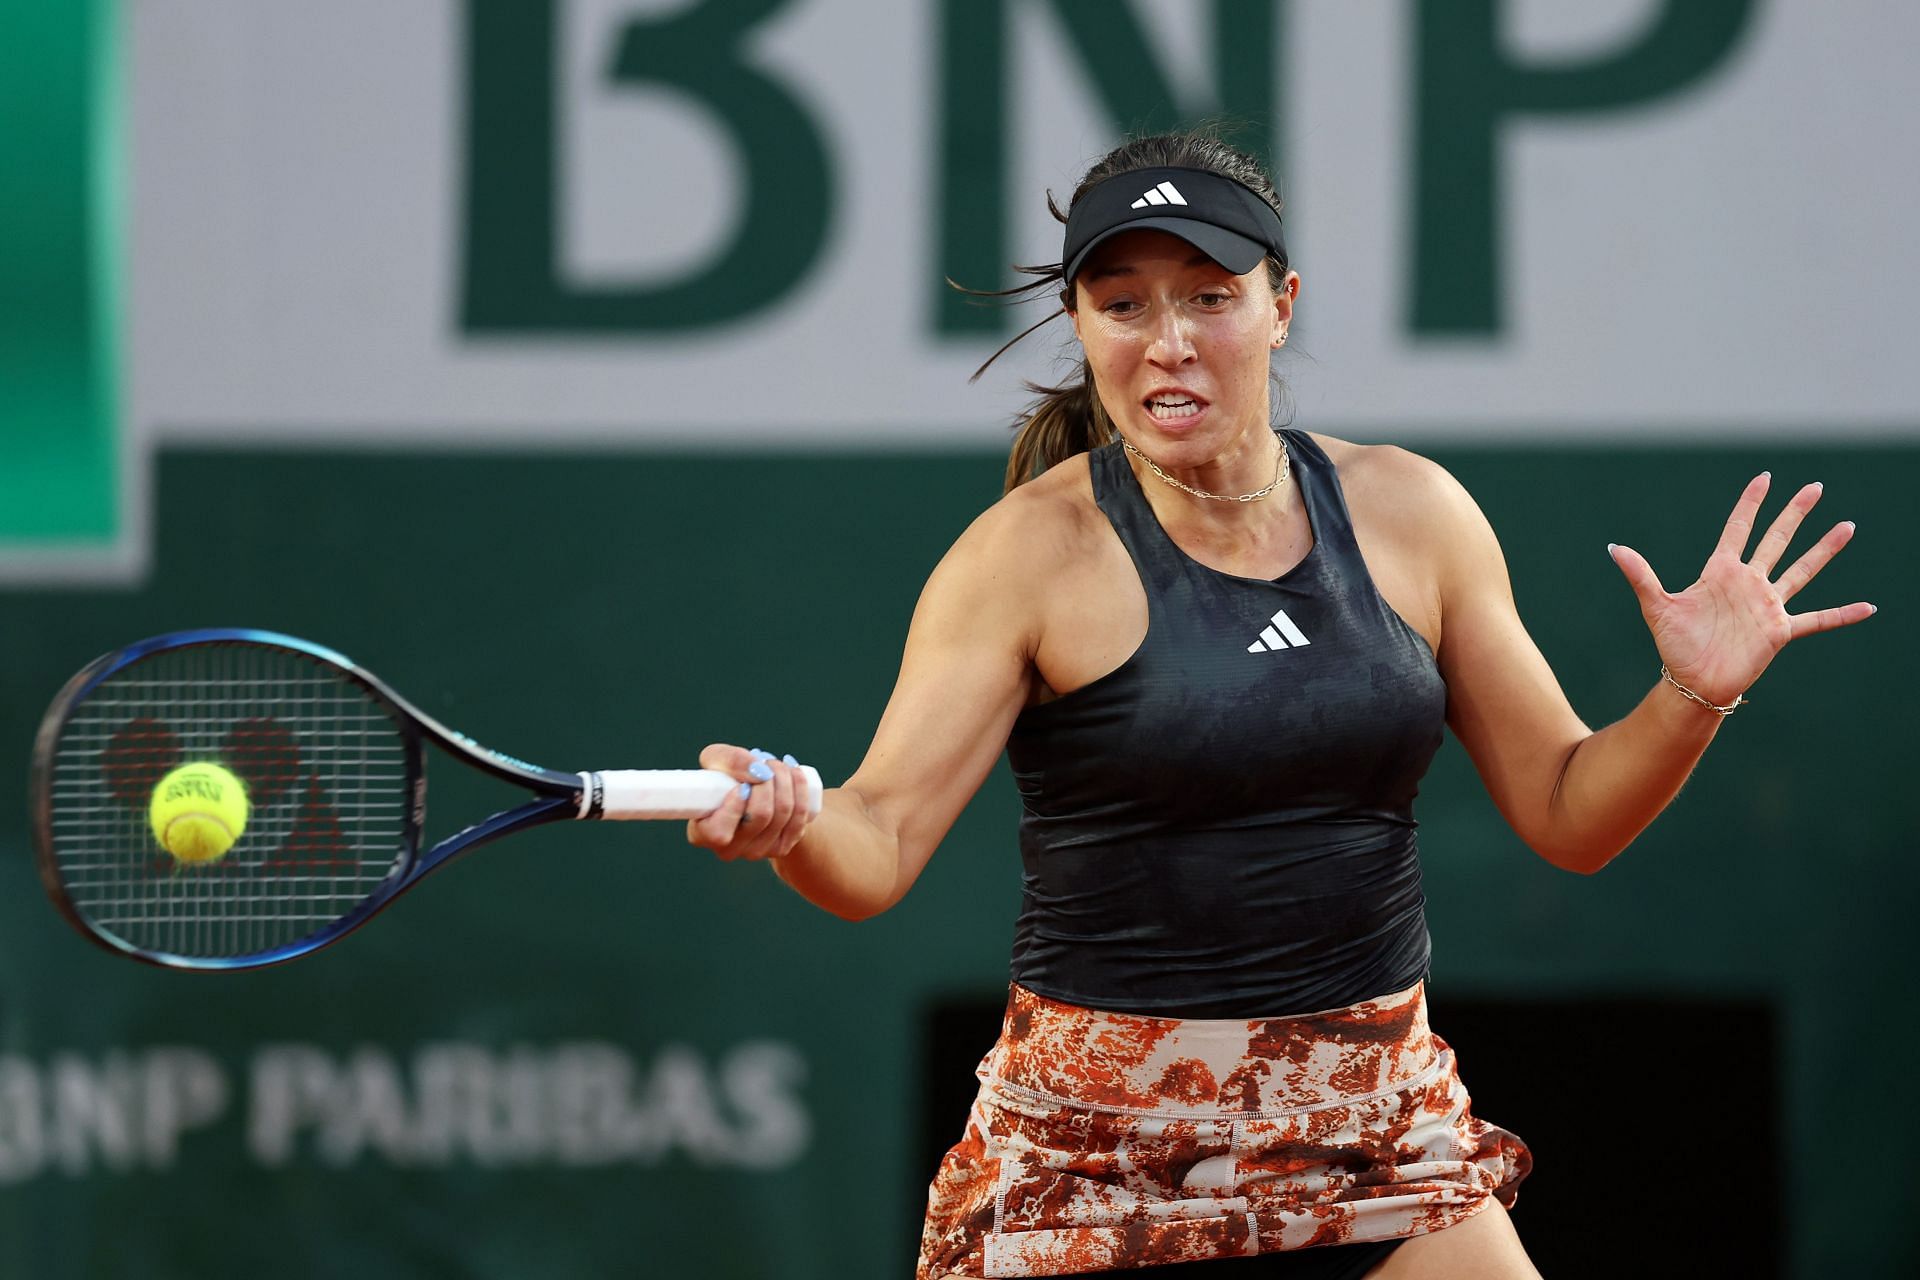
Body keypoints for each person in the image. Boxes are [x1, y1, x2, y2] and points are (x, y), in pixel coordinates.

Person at [685, 132, 1874, 1278]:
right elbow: (877, 843)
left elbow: (1572, 812)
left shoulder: (1413, 512)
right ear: (1082, 326)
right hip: (1096, 1165)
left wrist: (1691, 695)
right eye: (1124, 305)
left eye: (1208, 295)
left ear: (1281, 303)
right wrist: (795, 819)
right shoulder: (1024, 557)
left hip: (1376, 1139)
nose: (1168, 342)